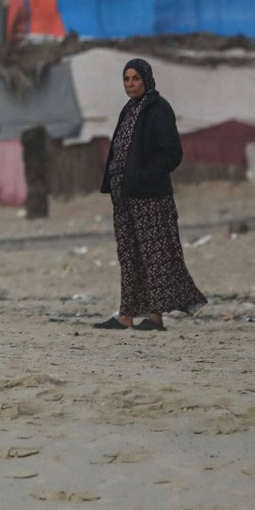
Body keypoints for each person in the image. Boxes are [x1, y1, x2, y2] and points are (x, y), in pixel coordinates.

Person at [95, 58, 205, 331]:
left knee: (154, 257)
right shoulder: (129, 109)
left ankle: (155, 317)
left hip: (150, 198)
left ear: (146, 79)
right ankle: (126, 314)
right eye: (126, 79)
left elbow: (172, 153)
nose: (131, 84)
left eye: (135, 78)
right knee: (129, 255)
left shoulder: (158, 109)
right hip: (124, 198)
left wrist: (142, 176)